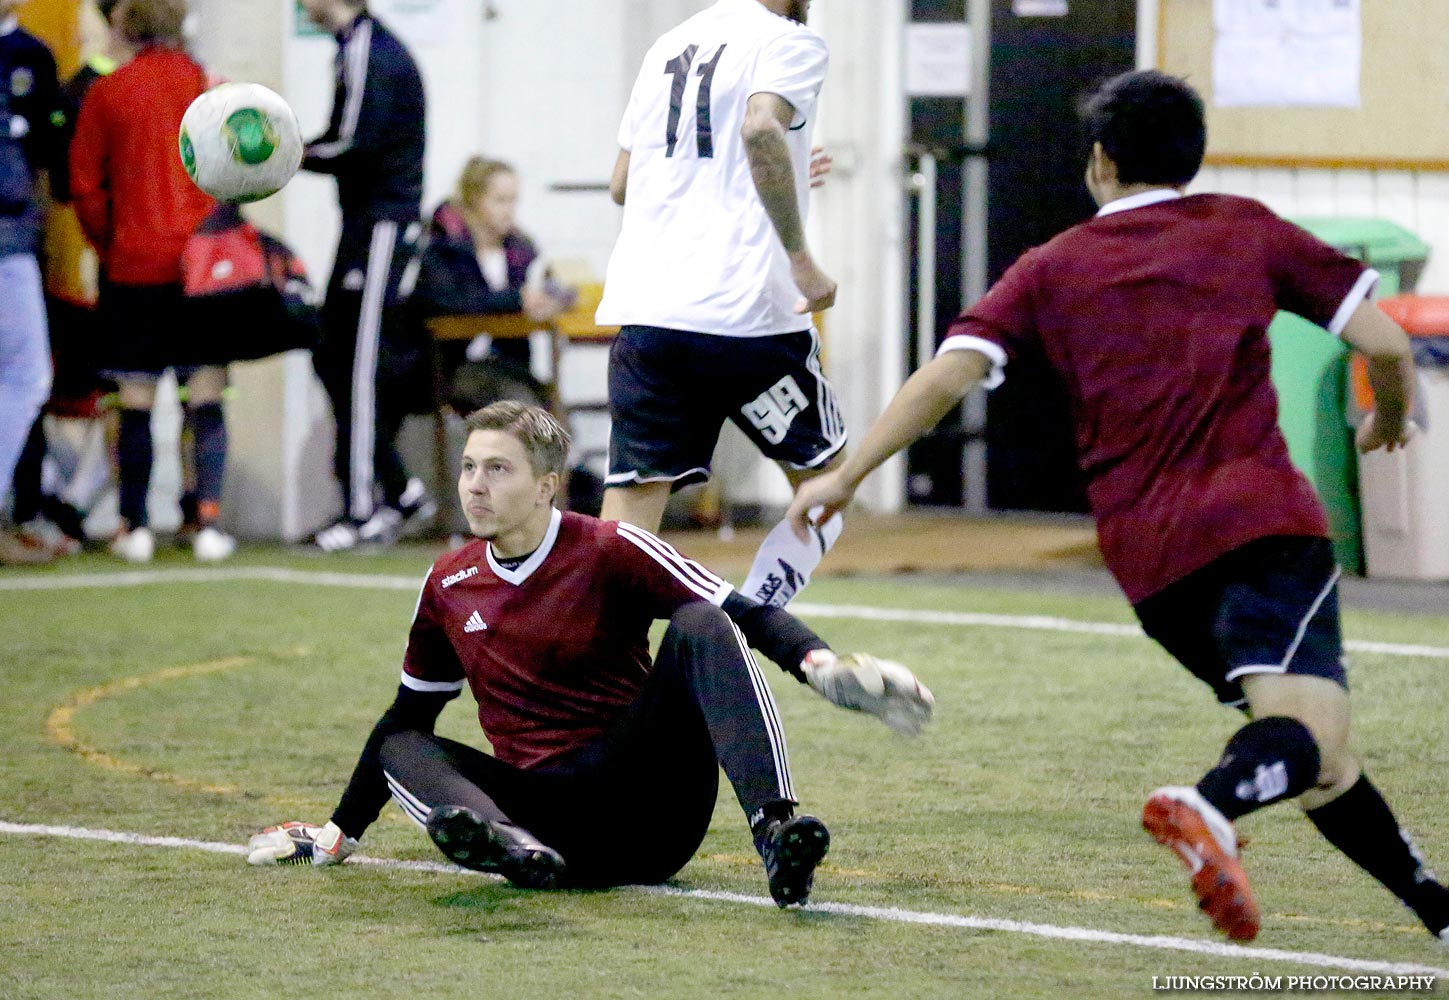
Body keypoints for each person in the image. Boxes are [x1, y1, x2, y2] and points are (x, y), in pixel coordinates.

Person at [787, 69, 1449, 945]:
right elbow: (1387, 341)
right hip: (1260, 530)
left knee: (1314, 755)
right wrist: (1390, 418)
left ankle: (1435, 913)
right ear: (1193, 157)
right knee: (1304, 735)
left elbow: (943, 379)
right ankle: (1205, 805)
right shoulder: (1243, 229)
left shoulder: (1049, 267)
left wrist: (845, 476)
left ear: (1099, 161)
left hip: (1149, 567)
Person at [246, 401, 934, 906]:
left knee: (697, 622)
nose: (475, 485)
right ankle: (506, 846)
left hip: (651, 807)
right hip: (549, 831)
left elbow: (741, 612)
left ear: (547, 485)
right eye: (467, 468)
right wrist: (340, 832)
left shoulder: (609, 546)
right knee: (401, 741)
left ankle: (776, 830)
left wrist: (820, 665)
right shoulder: (447, 582)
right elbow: (409, 716)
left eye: (497, 469)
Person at [595, 0, 847, 608]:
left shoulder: (667, 46)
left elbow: (623, 183)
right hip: (745, 316)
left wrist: (769, 171)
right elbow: (761, 127)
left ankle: (585, 670)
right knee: (830, 485)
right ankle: (752, 620)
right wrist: (800, 258)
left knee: (626, 526)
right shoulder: (789, 42)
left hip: (650, 317)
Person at [68, 0, 235, 563]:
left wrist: (109, 244)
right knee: (205, 393)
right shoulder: (210, 87)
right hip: (203, 269)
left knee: (135, 398)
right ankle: (206, 521)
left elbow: (84, 186)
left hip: (133, 267)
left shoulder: (108, 92)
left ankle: (134, 525)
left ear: (123, 25)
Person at [299, 0, 435, 553]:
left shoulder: (369, 49)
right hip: (361, 225)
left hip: (383, 226)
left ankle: (363, 510)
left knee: (359, 368)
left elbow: (353, 143)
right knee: (332, 355)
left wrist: (285, 152)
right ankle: (401, 492)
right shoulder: (351, 48)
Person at [410, 156, 573, 416]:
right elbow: (445, 302)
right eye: (500, 200)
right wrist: (516, 301)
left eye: (513, 200)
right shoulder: (443, 248)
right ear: (474, 201)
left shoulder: (519, 251)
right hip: (456, 365)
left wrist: (548, 301)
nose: (509, 209)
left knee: (550, 405)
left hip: (507, 363)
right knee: (523, 407)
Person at [0, 0, 58, 565]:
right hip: (6, 236)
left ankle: (24, 508)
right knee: (25, 375)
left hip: (16, 237)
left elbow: (43, 158)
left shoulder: (32, 56)